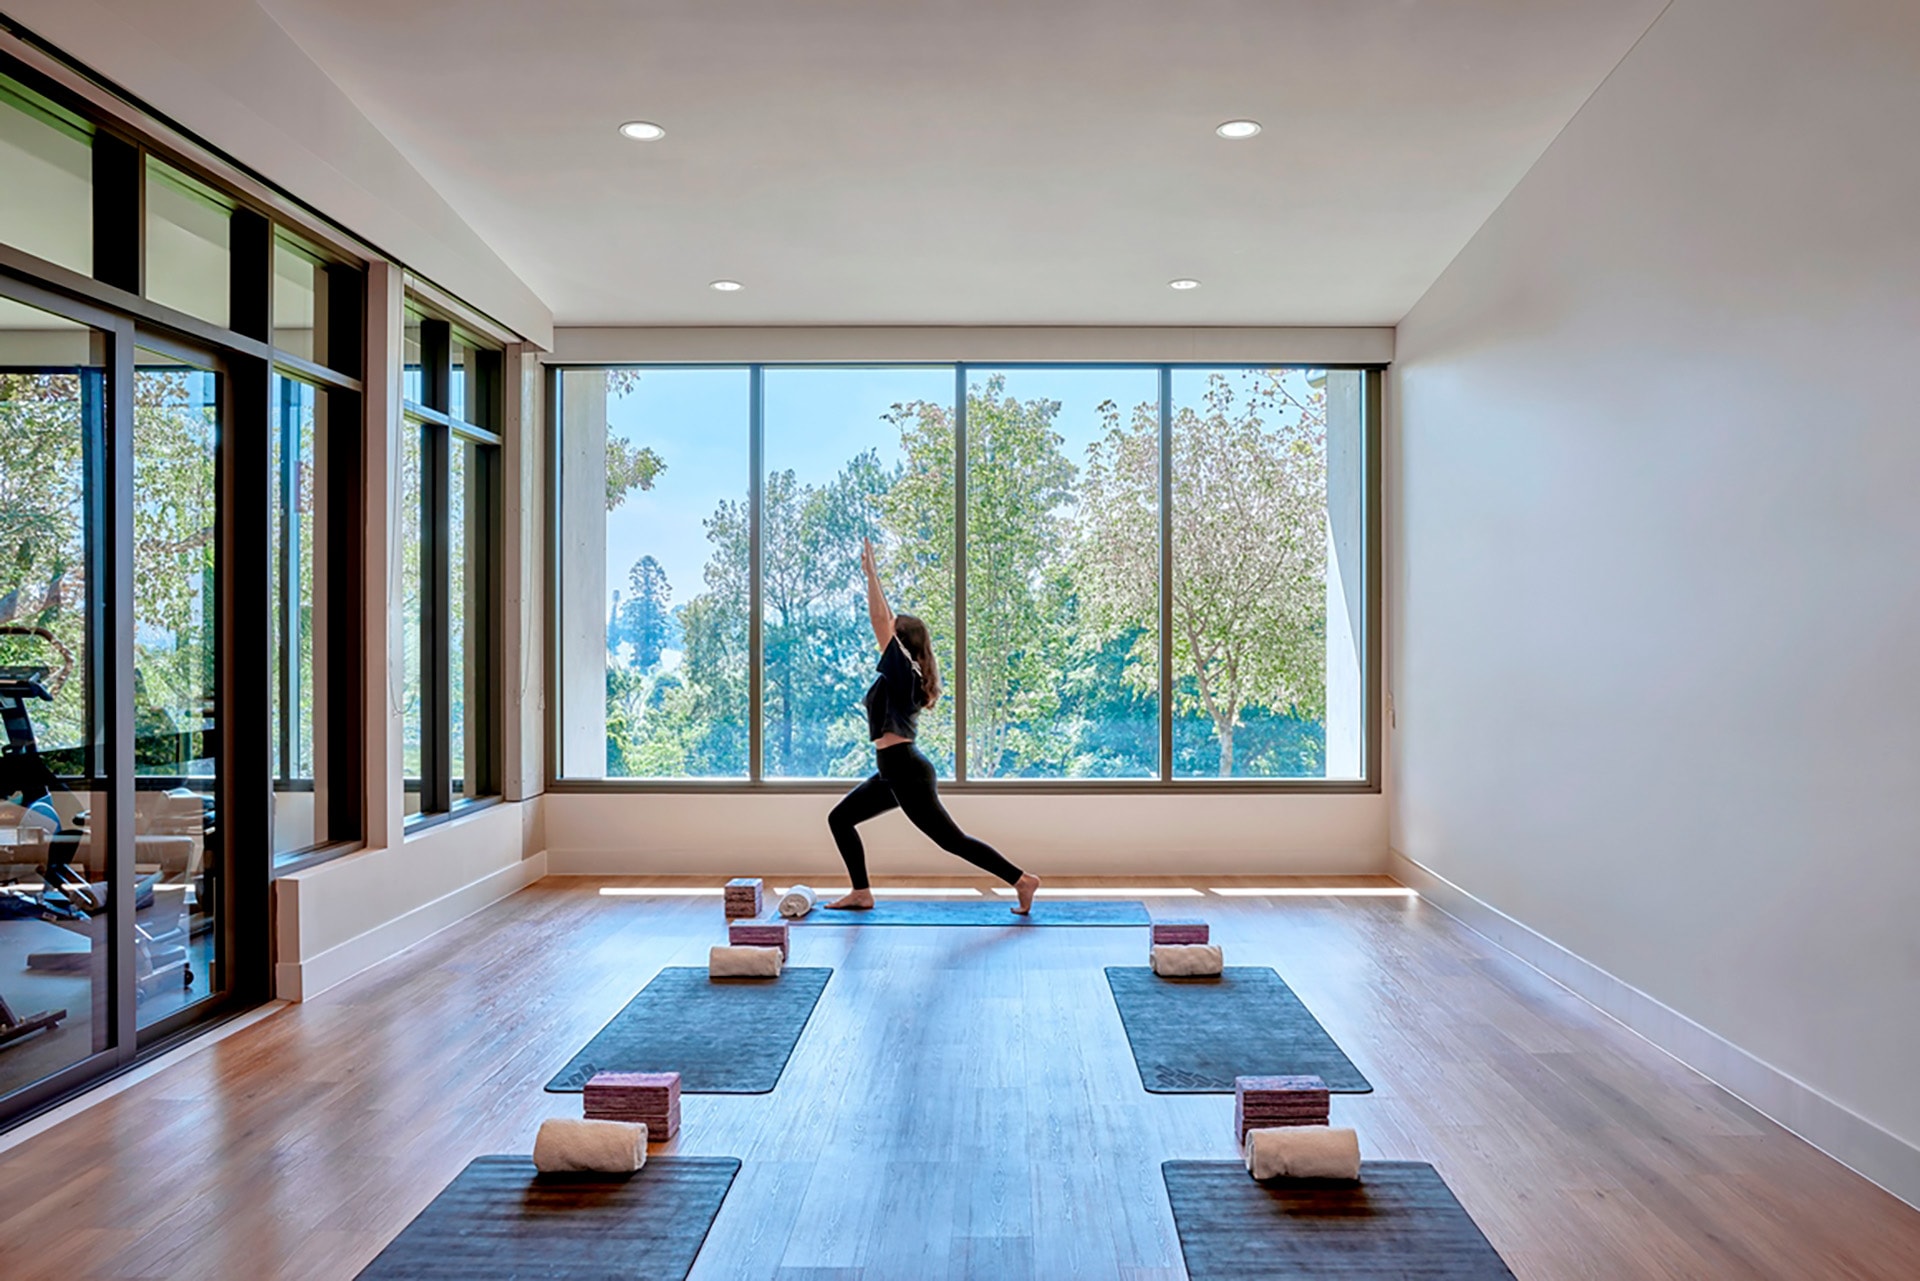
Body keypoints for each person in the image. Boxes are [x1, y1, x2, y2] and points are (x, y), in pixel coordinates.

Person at [824, 537, 1040, 914]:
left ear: (901, 643)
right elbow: (886, 621)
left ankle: (1022, 880)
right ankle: (861, 892)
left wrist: (872, 575)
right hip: (893, 770)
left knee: (951, 840)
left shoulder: (903, 670)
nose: (883, 636)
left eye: (892, 633)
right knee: (841, 819)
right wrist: (877, 582)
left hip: (905, 770)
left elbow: (880, 621)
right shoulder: (904, 671)